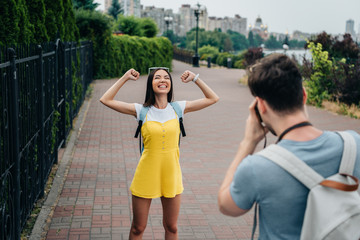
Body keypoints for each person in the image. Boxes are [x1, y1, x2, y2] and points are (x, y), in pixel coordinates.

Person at [217, 54, 360, 239]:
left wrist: (247, 143)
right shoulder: (353, 144)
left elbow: (226, 205)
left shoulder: (257, 167)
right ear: (304, 95)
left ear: (260, 106)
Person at [100, 67, 219, 239]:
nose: (162, 80)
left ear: (170, 84)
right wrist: (125, 77)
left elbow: (213, 98)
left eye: (166, 78)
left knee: (171, 227)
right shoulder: (141, 110)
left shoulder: (178, 108)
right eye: (157, 77)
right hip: (146, 174)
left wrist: (195, 78)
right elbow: (105, 99)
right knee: (138, 228)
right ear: (151, 84)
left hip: (171, 174)